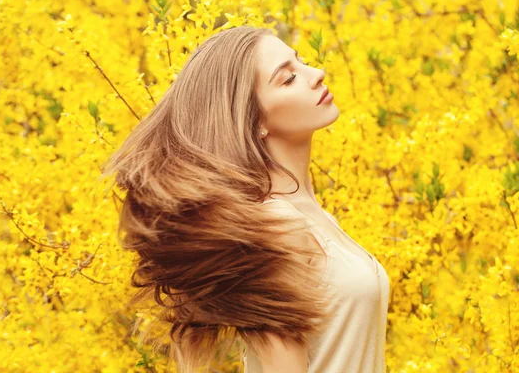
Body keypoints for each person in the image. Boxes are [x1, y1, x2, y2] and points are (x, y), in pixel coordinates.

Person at [101, 25, 390, 373]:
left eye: (301, 62)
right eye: (287, 79)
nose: (316, 74)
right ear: (254, 121)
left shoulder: (317, 219)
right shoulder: (280, 227)